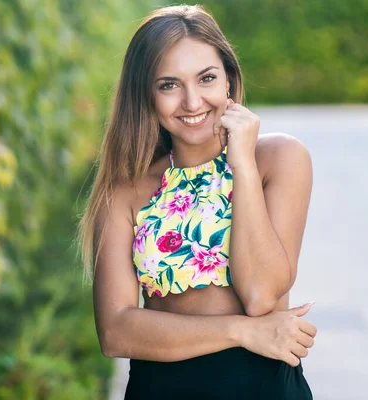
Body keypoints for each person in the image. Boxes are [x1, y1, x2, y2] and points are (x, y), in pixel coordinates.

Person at [77, 4, 316, 399]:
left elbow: (260, 295)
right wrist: (242, 331)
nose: (192, 102)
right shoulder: (124, 192)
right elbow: (116, 332)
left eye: (206, 78)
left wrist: (241, 166)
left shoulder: (278, 160)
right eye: (169, 85)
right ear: (146, 95)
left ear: (228, 80)